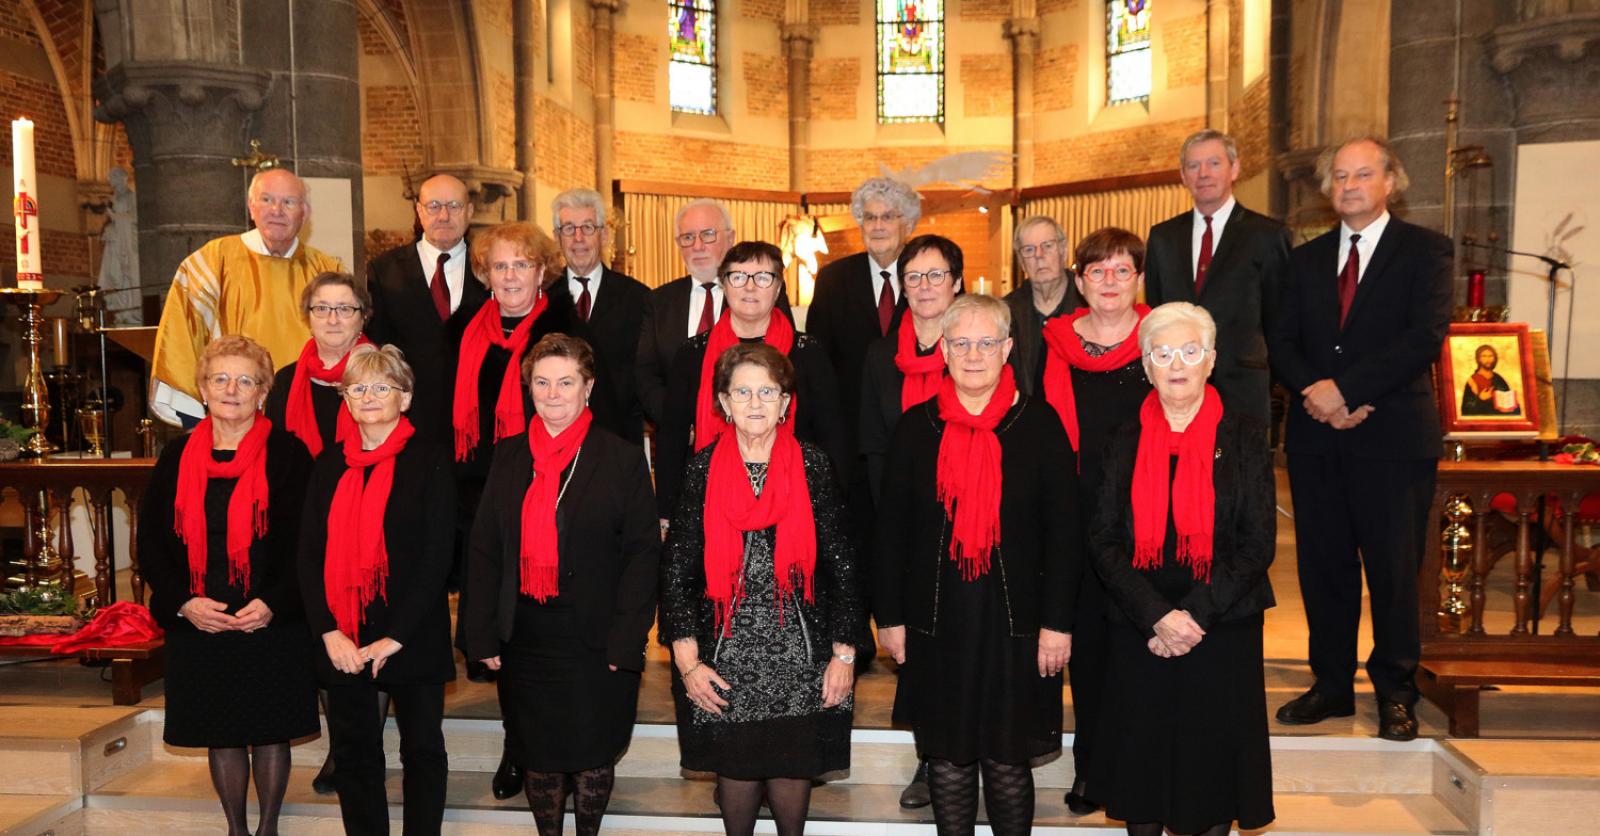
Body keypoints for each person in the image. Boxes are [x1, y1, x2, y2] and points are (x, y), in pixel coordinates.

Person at [875, 294, 1082, 835]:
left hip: (1019, 624)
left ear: (1007, 348)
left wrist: (1058, 624)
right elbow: (890, 533)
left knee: (1008, 760)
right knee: (947, 756)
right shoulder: (916, 428)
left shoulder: (1039, 424)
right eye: (961, 343)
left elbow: (1066, 536)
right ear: (943, 350)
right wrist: (889, 618)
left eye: (985, 342)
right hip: (935, 621)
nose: (973, 355)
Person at [1268, 136, 1452, 741]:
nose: (1350, 185)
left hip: (1393, 437)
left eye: (1363, 174)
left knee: (1393, 572)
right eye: (1340, 176)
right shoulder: (1305, 260)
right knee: (1324, 569)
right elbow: (1281, 340)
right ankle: (1331, 685)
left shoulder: (1426, 251)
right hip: (1317, 438)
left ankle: (1396, 690)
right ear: (1329, 189)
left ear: (1390, 181)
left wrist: (1344, 391)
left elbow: (1423, 337)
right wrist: (1316, 393)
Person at [659, 343, 867, 836]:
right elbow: (677, 569)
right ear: (724, 403)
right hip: (724, 660)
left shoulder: (812, 465)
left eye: (768, 392)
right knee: (735, 779)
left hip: (803, 660)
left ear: (786, 402)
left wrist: (844, 654)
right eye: (743, 392)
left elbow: (844, 564)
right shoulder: (701, 469)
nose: (755, 403)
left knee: (793, 782)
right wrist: (687, 662)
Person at [1089, 302, 1277, 836]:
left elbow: (1257, 542)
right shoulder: (1122, 438)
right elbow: (1102, 539)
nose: (1177, 364)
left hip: (1222, 625)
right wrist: (1156, 616)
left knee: (1211, 776)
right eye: (1163, 353)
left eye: (1190, 352)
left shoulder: (1244, 435)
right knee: (1142, 772)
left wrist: (1192, 617)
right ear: (1146, 366)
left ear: (1211, 360)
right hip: (1140, 627)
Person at [462, 333, 660, 836]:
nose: (552, 394)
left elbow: (642, 557)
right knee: (539, 753)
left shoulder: (620, 459)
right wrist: (480, 634)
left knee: (593, 752)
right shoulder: (509, 456)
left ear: (588, 387)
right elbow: (484, 550)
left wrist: (627, 640)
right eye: (541, 382)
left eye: (566, 382)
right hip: (524, 638)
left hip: (597, 638)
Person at [139, 335, 317, 836]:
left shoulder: (289, 454)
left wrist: (273, 603)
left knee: (270, 730)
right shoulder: (176, 456)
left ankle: (268, 828)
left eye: (245, 380)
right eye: (220, 379)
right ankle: (237, 830)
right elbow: (151, 543)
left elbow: (307, 542)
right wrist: (184, 603)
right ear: (202, 389)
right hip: (201, 620)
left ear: (263, 392)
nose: (231, 390)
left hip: (270, 618)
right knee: (223, 732)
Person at [298, 344, 456, 834]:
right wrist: (329, 632)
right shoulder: (328, 464)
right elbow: (307, 555)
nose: (369, 396)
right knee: (353, 753)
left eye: (382, 387)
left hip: (412, 632)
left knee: (422, 751)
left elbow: (437, 557)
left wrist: (396, 636)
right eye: (358, 388)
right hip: (343, 635)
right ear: (345, 400)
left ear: (404, 398)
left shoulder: (430, 459)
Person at [449, 219, 576, 794]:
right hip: (481, 493)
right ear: (484, 273)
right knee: (502, 625)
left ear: (542, 270)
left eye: (521, 264)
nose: (509, 275)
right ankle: (515, 744)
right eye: (499, 265)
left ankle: (553, 744)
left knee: (544, 626)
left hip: (550, 488)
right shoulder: (462, 330)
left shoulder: (563, 328)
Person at [1037, 227, 1153, 816]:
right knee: (1087, 648)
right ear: (1079, 281)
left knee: (1139, 643)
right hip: (1077, 510)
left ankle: (1139, 767)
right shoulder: (1055, 342)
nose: (1110, 280)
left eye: (1122, 270)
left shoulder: (1162, 337)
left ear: (1139, 279)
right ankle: (1091, 768)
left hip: (1147, 512)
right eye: (1097, 271)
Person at [260, 270, 378, 795]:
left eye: (345, 308)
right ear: (307, 316)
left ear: (362, 317)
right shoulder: (287, 380)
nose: (333, 318)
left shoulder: (379, 370)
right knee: (323, 636)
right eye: (322, 308)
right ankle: (342, 744)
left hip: (370, 523)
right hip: (308, 525)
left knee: (367, 632)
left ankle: (359, 747)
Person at [855, 233, 961, 810]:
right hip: (908, 523)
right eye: (913, 277)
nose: (924, 286)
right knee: (917, 645)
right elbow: (874, 443)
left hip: (974, 520)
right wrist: (894, 519)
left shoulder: (975, 343)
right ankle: (931, 756)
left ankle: (980, 749)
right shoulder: (880, 355)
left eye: (935, 275)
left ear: (956, 282)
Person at [654, 241, 847, 536]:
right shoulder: (693, 354)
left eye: (763, 277)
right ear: (724, 284)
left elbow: (832, 436)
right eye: (738, 276)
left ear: (778, 287)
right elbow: (672, 438)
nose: (750, 287)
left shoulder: (808, 352)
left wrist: (830, 508)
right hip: (710, 502)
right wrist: (666, 514)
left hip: (796, 501)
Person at [151, 168, 342, 425]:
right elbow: (180, 337)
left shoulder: (328, 271)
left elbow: (349, 344)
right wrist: (192, 416)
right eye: (266, 199)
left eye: (288, 202)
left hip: (311, 413)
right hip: (234, 414)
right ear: (251, 207)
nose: (276, 210)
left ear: (305, 213)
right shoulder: (212, 262)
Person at [1144, 130, 1291, 427]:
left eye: (1214, 163)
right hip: (1177, 387)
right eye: (1193, 166)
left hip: (1244, 389)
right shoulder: (1162, 238)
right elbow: (1156, 314)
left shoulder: (1267, 235)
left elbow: (1281, 319)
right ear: (1183, 176)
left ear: (1234, 169)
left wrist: (1270, 378)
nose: (1204, 173)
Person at [635, 199, 793, 426]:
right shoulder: (659, 301)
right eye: (688, 237)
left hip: (752, 430)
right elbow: (646, 374)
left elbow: (783, 361)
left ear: (730, 238)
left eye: (708, 234)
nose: (697, 246)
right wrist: (677, 422)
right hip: (680, 433)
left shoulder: (759, 294)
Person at [365, 173, 489, 443]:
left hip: (479, 422)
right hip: (410, 421)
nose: (444, 216)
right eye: (434, 206)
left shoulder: (491, 268)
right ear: (419, 211)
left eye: (454, 206)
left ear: (469, 212)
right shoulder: (384, 270)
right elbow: (377, 345)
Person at [809, 176, 918, 454]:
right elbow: (817, 360)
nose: (877, 226)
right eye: (869, 217)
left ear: (907, 224)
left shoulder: (929, 276)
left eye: (887, 217)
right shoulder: (833, 279)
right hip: (851, 431)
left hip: (917, 423)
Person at [544, 188, 653, 443]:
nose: (578, 238)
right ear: (557, 237)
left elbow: (647, 372)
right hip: (557, 436)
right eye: (569, 229)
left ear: (603, 235)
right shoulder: (543, 298)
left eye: (588, 227)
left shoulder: (639, 297)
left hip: (619, 437)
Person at [1005, 215, 1084, 395]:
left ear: (1063, 251)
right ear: (1021, 261)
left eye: (1047, 246)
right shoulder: (1007, 312)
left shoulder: (1088, 304)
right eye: (1029, 249)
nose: (1039, 256)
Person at [1461, 344, 1518, 415]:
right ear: (1478, 358)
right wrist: (1480, 399)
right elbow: (1466, 409)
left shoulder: (1499, 379)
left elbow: (1509, 403)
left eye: (1490, 356)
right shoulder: (1472, 380)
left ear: (1495, 358)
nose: (1488, 359)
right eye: (1484, 356)